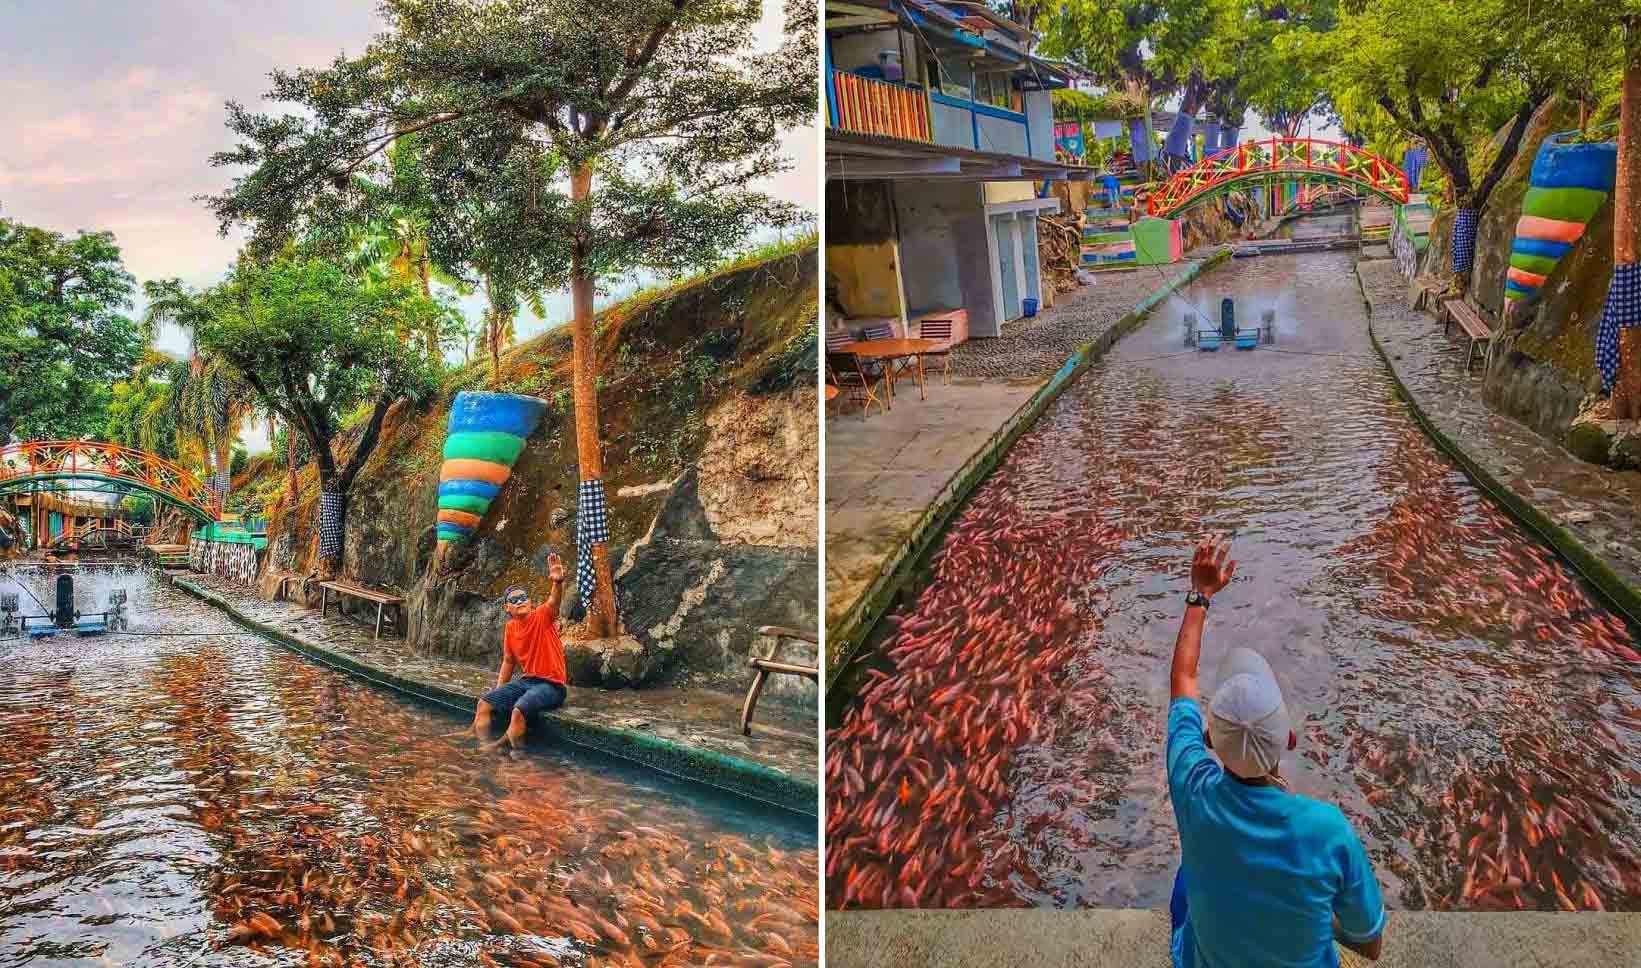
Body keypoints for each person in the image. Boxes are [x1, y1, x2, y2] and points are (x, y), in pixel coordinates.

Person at [1167, 536, 1387, 967]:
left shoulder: (1192, 788)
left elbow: (1183, 681)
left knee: (1184, 882)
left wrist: (1200, 595)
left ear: (1209, 741)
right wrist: (1314, 915)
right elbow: (1370, 944)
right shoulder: (1328, 831)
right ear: (1288, 739)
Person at [472, 553, 569, 750]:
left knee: (518, 711)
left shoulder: (541, 615)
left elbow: (553, 602)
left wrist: (557, 582)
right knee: (484, 704)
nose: (520, 601)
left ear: (531, 601)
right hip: (528, 681)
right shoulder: (510, 628)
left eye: (523, 597)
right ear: (507, 607)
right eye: (514, 600)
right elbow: (508, 661)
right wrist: (498, 691)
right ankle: (481, 745)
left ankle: (512, 755)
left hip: (552, 685)